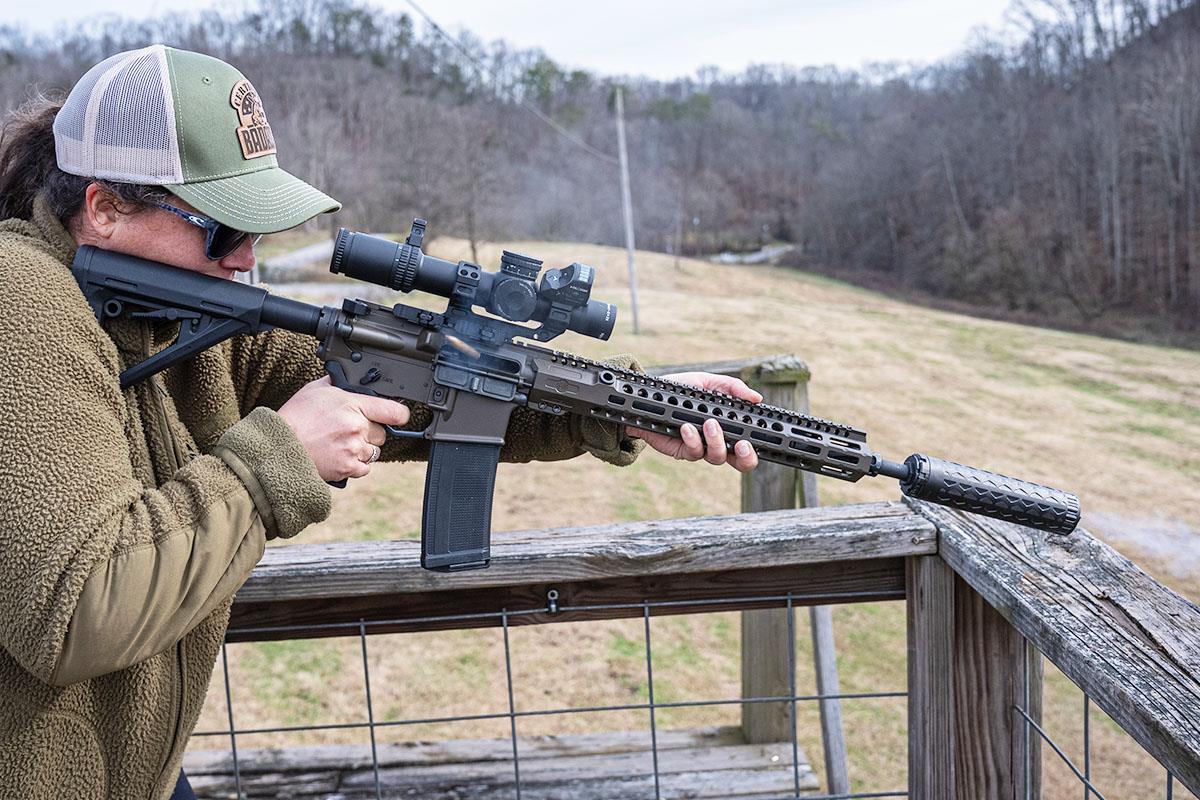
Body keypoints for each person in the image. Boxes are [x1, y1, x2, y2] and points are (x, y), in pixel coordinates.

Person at [0, 45, 760, 800]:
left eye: (259, 231)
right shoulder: (21, 299)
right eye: (225, 231)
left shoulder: (165, 306)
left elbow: (422, 385)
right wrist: (278, 460)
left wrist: (624, 407)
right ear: (104, 208)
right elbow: (76, 609)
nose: (246, 260)